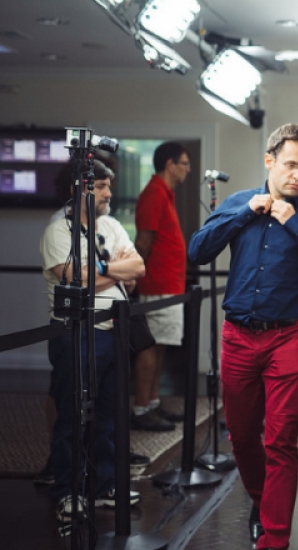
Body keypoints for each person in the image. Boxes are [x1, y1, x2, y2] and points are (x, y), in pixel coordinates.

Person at [188, 123, 298, 550]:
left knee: (281, 439)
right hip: (238, 337)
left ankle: (275, 539)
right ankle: (263, 503)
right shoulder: (237, 204)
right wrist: (245, 214)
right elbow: (198, 251)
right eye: (291, 165)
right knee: (242, 436)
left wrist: (296, 224)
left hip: (289, 338)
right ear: (269, 160)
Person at [40, 159, 144, 522]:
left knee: (110, 414)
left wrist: (98, 271)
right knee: (73, 415)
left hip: (115, 331)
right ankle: (67, 492)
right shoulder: (58, 231)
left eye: (108, 186)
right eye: (101, 187)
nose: (109, 194)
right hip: (76, 333)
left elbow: (138, 268)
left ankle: (104, 486)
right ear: (79, 188)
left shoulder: (112, 225)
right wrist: (114, 272)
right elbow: (74, 279)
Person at [132, 141, 190, 431]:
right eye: (184, 164)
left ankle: (153, 404)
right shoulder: (154, 193)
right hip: (157, 285)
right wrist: (131, 277)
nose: (188, 170)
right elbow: (143, 242)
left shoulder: (164, 193)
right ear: (170, 164)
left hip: (169, 285)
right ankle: (141, 409)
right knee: (150, 348)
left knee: (160, 348)